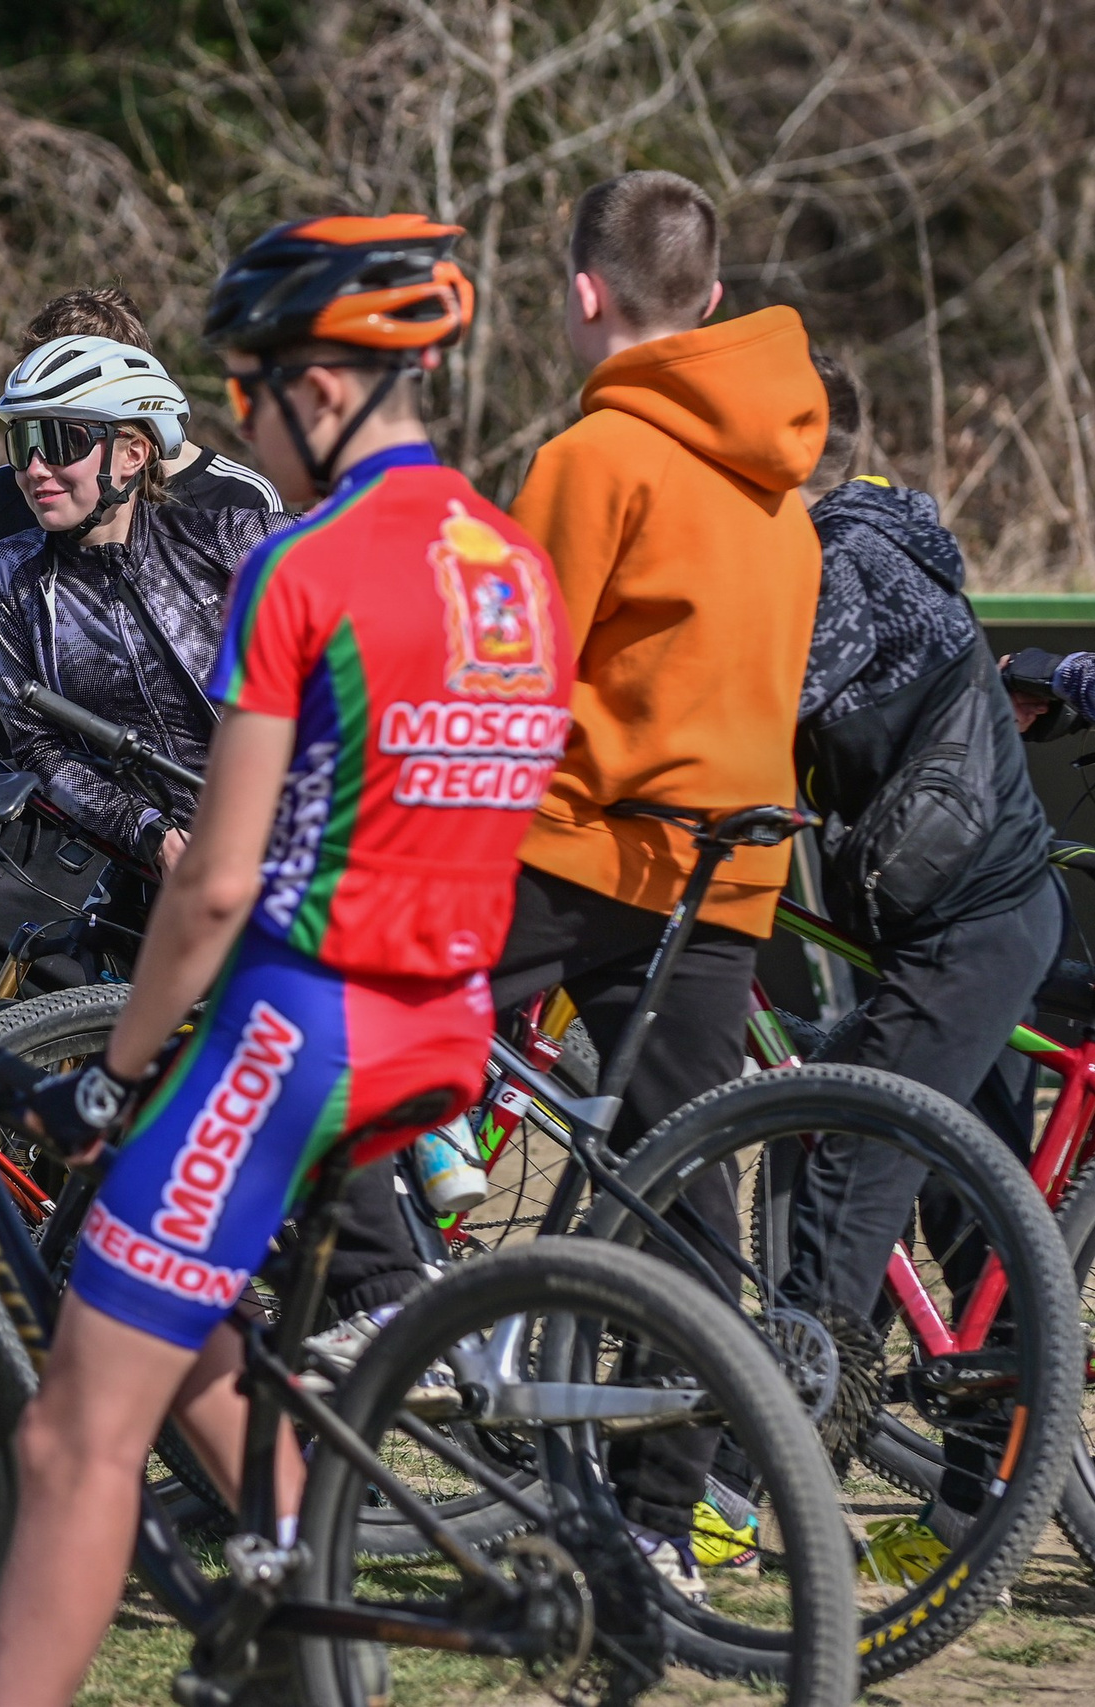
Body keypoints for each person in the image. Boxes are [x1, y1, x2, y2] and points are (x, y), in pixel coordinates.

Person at [0, 215, 571, 1707]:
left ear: (320, 389)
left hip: (300, 1018)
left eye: (243, 390)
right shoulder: (514, 563)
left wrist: (116, 1074)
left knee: (69, 1432)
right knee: (197, 1347)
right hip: (447, 1017)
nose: (232, 423)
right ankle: (299, 1637)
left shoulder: (302, 561)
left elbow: (222, 879)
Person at [492, 169, 827, 1598]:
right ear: (709, 289)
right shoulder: (784, 482)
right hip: (728, 872)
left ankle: (367, 1352)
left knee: (348, 1049)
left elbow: (515, 679)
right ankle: (657, 1523)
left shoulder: (593, 460)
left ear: (585, 293)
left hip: (574, 845)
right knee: (694, 1195)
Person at [782, 354, 1059, 1559]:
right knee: (963, 1201)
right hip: (975, 919)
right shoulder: (879, 538)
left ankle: (757, 1469)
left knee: (849, 1160)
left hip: (966, 926)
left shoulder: (842, 565)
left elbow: (747, 699)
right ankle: (976, 1497)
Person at [0, 287, 279, 743]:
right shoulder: (7, 495)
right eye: (29, 429)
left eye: (63, 434)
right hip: (44, 797)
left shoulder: (239, 502)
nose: (38, 467)